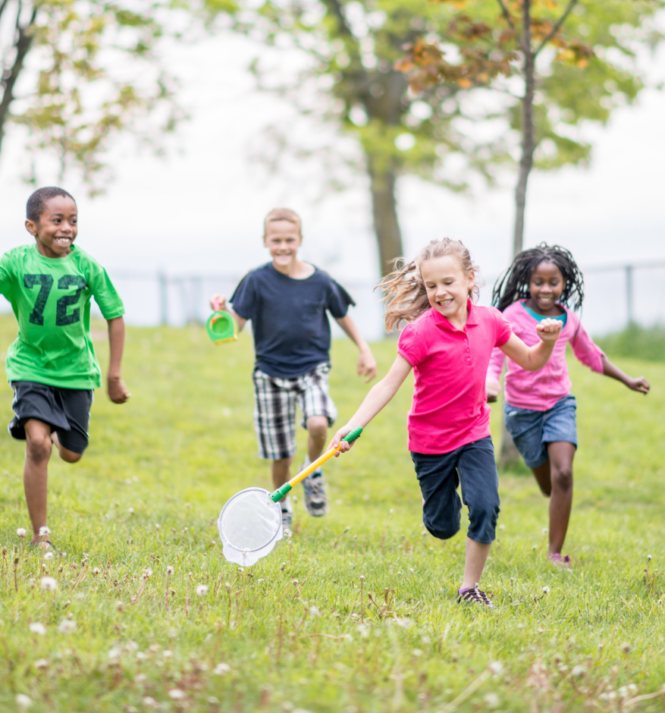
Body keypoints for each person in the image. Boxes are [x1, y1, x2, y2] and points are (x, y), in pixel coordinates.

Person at [330, 237, 563, 608]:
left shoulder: (491, 321)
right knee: (443, 527)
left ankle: (469, 589)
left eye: (448, 282)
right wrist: (353, 426)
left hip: (474, 435)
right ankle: (440, 507)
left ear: (470, 279)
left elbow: (532, 360)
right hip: (429, 443)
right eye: (431, 285)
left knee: (486, 507)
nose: (440, 292)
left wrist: (547, 341)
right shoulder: (420, 331)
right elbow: (388, 385)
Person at [0, 186, 129, 549]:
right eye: (57, 220)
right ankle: (40, 535)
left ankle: (54, 430)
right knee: (38, 446)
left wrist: (113, 375)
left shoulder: (86, 265)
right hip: (30, 368)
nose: (67, 227)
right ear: (31, 227)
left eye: (73, 220)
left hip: (76, 373)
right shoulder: (15, 263)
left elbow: (115, 315)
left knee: (72, 452)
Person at [212, 207, 377, 532]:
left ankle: (313, 470)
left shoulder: (321, 281)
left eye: (289, 239)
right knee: (281, 454)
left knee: (318, 423)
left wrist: (364, 349)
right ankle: (282, 511)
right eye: (276, 240)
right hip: (270, 374)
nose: (283, 246)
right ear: (265, 241)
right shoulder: (256, 280)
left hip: (312, 369)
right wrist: (221, 312)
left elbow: (342, 314)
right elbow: (236, 326)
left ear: (300, 239)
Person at [487, 243, 649, 566]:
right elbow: (494, 355)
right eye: (538, 282)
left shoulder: (569, 319)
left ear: (565, 283)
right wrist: (490, 384)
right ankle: (553, 496)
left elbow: (591, 353)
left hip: (560, 405)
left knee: (563, 473)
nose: (545, 289)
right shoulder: (511, 316)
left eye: (553, 282)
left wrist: (627, 379)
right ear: (526, 282)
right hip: (521, 412)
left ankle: (554, 554)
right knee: (549, 486)